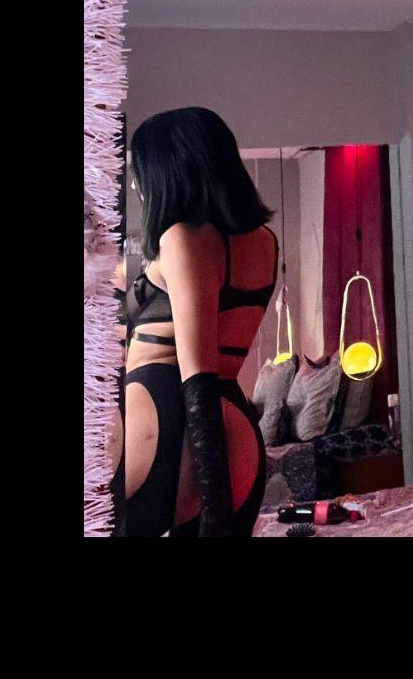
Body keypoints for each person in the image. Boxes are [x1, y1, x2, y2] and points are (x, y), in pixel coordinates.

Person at [123, 107, 278, 536]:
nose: (137, 185)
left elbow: (197, 378)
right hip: (236, 426)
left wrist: (215, 510)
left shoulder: (182, 238)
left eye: (141, 172)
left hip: (170, 423)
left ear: (169, 170)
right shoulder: (264, 242)